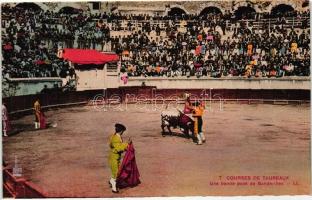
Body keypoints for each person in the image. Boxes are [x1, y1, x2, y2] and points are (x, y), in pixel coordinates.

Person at [108, 123, 131, 193]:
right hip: (114, 158)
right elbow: (119, 148)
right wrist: (127, 144)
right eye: (123, 132)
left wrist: (126, 144)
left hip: (114, 157)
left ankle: (111, 180)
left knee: (115, 171)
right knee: (116, 172)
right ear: (121, 131)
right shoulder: (116, 138)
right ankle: (114, 188)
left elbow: (116, 146)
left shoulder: (114, 136)